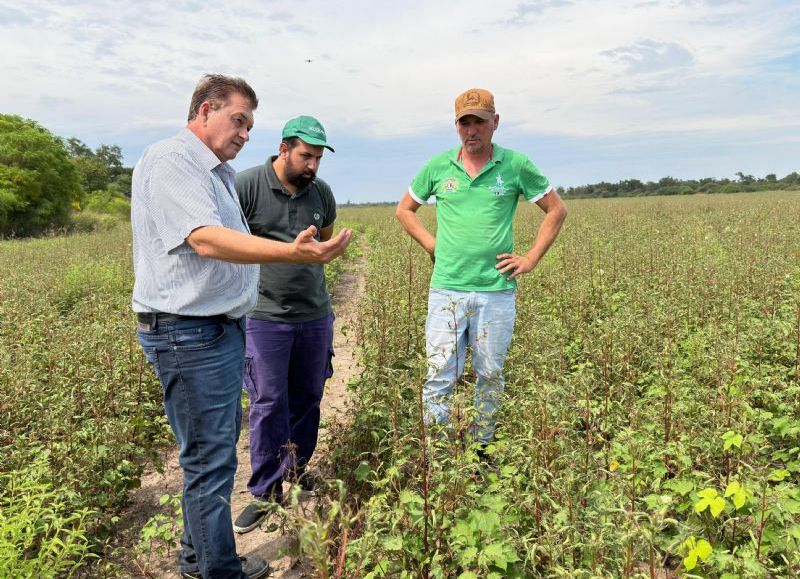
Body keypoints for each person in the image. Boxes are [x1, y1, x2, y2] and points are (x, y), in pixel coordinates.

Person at [131, 74, 352, 579]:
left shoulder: (216, 172)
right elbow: (207, 240)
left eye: (249, 125)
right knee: (212, 462)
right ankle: (219, 568)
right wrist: (292, 253)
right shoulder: (174, 161)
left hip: (218, 328)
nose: (244, 133)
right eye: (238, 121)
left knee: (213, 453)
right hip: (191, 331)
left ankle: (198, 556)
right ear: (205, 110)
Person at [395, 88, 567, 448]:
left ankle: (482, 447)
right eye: (465, 123)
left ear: (495, 123)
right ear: (456, 126)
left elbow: (556, 210)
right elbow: (405, 210)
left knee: (489, 373)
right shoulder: (439, 166)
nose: (472, 130)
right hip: (447, 289)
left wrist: (531, 258)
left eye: (480, 122)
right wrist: (432, 245)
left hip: (496, 291)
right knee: (439, 373)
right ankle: (438, 452)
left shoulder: (516, 165)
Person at [232, 116, 338, 534]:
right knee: (268, 402)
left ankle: (295, 472)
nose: (311, 165)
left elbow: (323, 240)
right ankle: (264, 492)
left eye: (317, 158)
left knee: (308, 397)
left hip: (314, 314)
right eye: (305, 156)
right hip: (264, 314)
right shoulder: (247, 185)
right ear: (283, 149)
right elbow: (227, 240)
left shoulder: (321, 193)